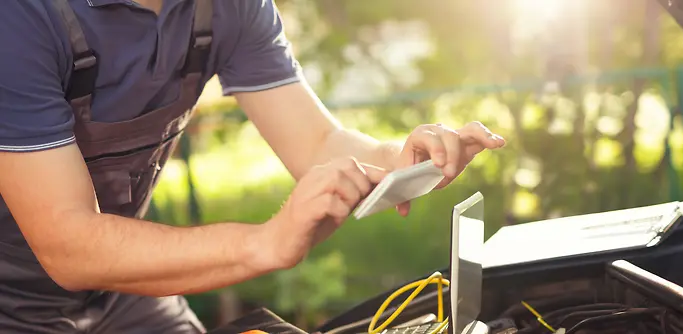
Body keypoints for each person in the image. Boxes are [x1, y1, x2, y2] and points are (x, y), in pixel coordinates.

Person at [0, 0, 505, 333]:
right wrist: (265, 241)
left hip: (119, 294)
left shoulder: (228, 7)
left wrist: (402, 160)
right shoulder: (19, 19)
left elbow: (319, 141)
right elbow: (68, 244)